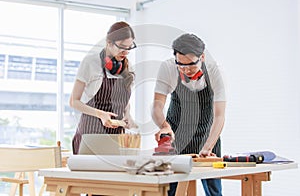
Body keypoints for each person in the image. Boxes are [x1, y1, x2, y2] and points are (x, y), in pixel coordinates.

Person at [151, 33, 226, 196]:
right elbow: (157, 105)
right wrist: (164, 127)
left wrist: (208, 146)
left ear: (202, 57)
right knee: (170, 190)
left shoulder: (214, 71)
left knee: (214, 192)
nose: (186, 70)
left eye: (191, 65)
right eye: (181, 65)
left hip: (207, 137)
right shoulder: (168, 67)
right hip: (176, 136)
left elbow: (220, 115)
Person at [70, 21, 138, 154]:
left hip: (116, 137)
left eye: (129, 48)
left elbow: (123, 100)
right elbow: (74, 101)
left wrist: (128, 115)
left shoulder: (128, 67)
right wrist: (100, 114)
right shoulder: (91, 62)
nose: (126, 52)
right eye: (122, 47)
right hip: (90, 134)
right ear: (109, 42)